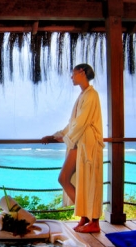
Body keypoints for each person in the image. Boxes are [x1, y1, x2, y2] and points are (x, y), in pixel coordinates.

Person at [41, 63, 104, 233]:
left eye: (73, 73)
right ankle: (84, 216)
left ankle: (94, 222)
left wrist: (66, 138)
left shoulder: (92, 95)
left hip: (87, 144)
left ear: (82, 72)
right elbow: (73, 124)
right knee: (67, 179)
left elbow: (82, 122)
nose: (71, 76)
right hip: (78, 143)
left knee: (89, 181)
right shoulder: (82, 96)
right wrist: (55, 136)